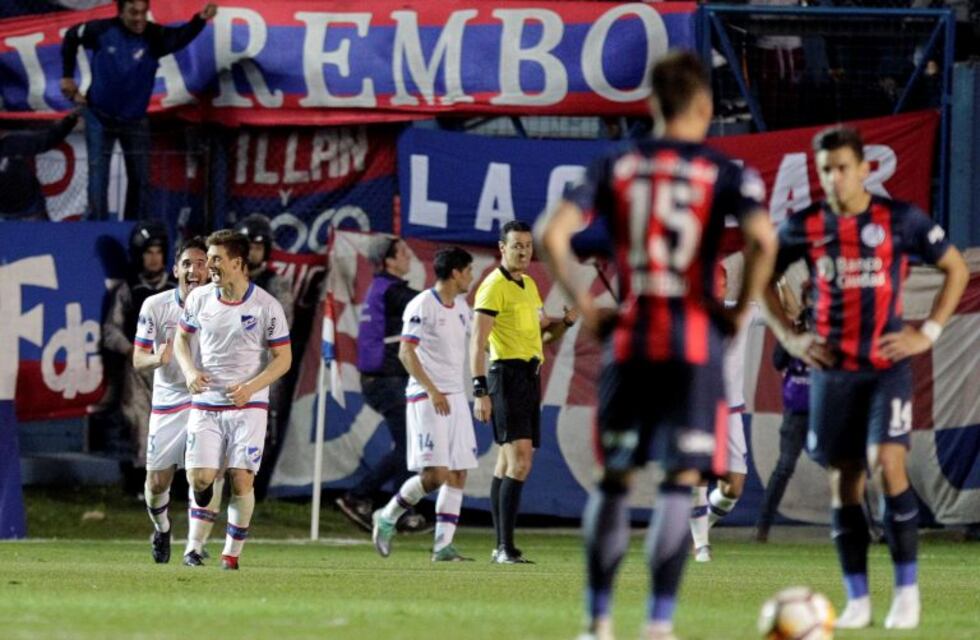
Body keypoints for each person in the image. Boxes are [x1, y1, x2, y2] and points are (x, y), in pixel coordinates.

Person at [539, 51, 776, 640]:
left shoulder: (616, 163)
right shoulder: (726, 172)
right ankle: (658, 624)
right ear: (703, 105)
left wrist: (590, 306)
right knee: (679, 482)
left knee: (616, 481)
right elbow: (762, 240)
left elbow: (552, 233)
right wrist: (740, 311)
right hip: (693, 340)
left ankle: (596, 621)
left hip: (632, 334)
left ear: (651, 105)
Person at [761, 125, 969, 630]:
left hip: (885, 367)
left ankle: (906, 592)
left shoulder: (899, 220)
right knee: (845, 482)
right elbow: (760, 273)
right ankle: (857, 600)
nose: (834, 178)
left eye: (843, 168)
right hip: (833, 374)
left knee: (887, 463)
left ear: (865, 169)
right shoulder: (804, 226)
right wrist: (791, 339)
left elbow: (956, 269)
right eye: (826, 170)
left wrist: (929, 332)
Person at [174, 229, 292, 570]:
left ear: (237, 263)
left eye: (215, 259)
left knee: (242, 479)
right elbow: (182, 341)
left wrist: (252, 387)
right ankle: (199, 524)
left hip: (247, 405)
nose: (206, 266)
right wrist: (190, 371)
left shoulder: (266, 306)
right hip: (207, 403)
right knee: (200, 478)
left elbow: (283, 358)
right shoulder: (199, 299)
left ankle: (229, 554)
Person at [470, 220, 578, 565]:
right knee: (521, 462)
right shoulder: (492, 287)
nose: (523, 251)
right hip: (506, 376)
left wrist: (566, 323)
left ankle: (502, 546)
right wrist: (480, 389)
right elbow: (477, 343)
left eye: (528, 245)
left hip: (530, 375)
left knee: (506, 463)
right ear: (502, 248)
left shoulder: (529, 284)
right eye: (516, 245)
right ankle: (504, 547)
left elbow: (544, 337)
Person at [60, 1, 217, 220]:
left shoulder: (154, 36)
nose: (139, 19)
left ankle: (133, 232)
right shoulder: (101, 30)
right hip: (98, 117)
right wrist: (67, 76)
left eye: (144, 12)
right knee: (98, 181)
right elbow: (71, 36)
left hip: (135, 121)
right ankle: (96, 232)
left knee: (140, 181)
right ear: (120, 11)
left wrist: (200, 20)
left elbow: (180, 37)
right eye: (133, 13)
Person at [371, 247, 478, 562]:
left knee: (459, 473)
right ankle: (387, 516)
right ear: (456, 272)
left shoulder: (461, 307)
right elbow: (406, 352)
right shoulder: (421, 304)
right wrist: (432, 390)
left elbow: (478, 341)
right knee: (435, 475)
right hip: (427, 397)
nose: (471, 276)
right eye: (469, 270)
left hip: (455, 397)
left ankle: (442, 547)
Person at [133, 236, 224, 563]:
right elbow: (137, 358)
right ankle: (162, 527)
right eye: (187, 264)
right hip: (168, 404)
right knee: (156, 483)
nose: (194, 270)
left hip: (208, 402)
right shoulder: (155, 307)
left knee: (206, 475)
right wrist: (156, 358)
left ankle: (194, 548)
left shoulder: (222, 305)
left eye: (202, 263)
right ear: (176, 270)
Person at [336, 235, 427, 534]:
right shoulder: (392, 291)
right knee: (408, 446)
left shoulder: (381, 289)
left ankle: (371, 500)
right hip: (387, 380)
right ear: (388, 260)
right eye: (402, 252)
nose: (408, 256)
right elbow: (428, 305)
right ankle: (382, 504)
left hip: (383, 379)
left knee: (407, 445)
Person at [689, 259, 760, 562]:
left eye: (719, 283)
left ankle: (698, 524)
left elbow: (783, 316)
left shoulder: (741, 310)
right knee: (698, 475)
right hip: (697, 406)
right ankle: (700, 543)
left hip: (730, 409)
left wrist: (780, 283)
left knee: (734, 487)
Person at [102, 220, 176, 495]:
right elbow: (110, 330)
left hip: (174, 367)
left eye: (158, 251)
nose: (154, 258)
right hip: (140, 365)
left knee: (177, 422)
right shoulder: (128, 290)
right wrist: (132, 350)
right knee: (140, 421)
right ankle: (140, 482)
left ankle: (176, 483)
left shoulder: (178, 289)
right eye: (148, 252)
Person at [233, 213, 295, 498]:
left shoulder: (275, 283)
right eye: (249, 246)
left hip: (265, 368)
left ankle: (260, 487)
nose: (254, 253)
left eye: (259, 247)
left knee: (264, 430)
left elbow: (281, 326)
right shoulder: (228, 282)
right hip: (230, 366)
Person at [754, 279, 811, 543]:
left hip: (828, 407)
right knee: (785, 466)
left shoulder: (835, 325)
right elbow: (778, 361)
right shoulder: (795, 327)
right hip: (798, 408)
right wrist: (794, 335)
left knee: (846, 466)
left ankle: (861, 528)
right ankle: (762, 528)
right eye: (811, 298)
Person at [0, 109, 79, 220]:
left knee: (46, 236)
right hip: (6, 213)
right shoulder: (15, 141)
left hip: (30, 207)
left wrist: (70, 119)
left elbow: (49, 139)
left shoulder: (15, 142)